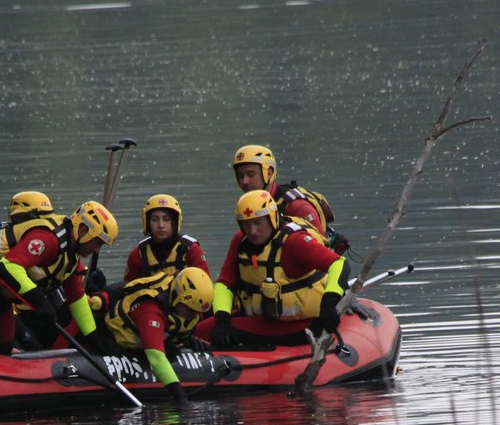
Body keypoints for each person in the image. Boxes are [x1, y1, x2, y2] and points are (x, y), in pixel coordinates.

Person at [0, 198, 118, 356]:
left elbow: (77, 298)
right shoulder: (49, 240)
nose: (97, 250)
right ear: (82, 230)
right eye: (98, 242)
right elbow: (9, 266)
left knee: (3, 347)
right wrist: (40, 302)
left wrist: (93, 337)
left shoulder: (72, 257)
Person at [193, 190, 354, 350]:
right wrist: (222, 321)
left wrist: (329, 302)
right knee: (201, 330)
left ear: (272, 218)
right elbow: (225, 284)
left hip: (303, 324)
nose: (253, 231)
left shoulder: (294, 241)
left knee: (212, 331)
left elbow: (339, 264)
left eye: (258, 223)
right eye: (247, 225)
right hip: (263, 319)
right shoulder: (240, 240)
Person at [100, 265, 214, 407]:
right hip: (114, 337)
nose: (194, 316)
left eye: (197, 312)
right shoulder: (151, 310)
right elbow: (156, 358)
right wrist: (181, 398)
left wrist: (187, 338)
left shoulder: (181, 303)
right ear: (178, 298)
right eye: (191, 310)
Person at [229, 143, 347, 253]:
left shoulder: (298, 207)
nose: (244, 181)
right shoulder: (248, 206)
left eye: (251, 175)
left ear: (269, 173)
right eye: (240, 176)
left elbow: (322, 253)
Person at [122, 194, 209, 282]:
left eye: (166, 219)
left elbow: (205, 286)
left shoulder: (191, 250)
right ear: (147, 223)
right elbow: (127, 291)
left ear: (175, 222)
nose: (161, 225)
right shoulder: (139, 254)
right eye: (155, 220)